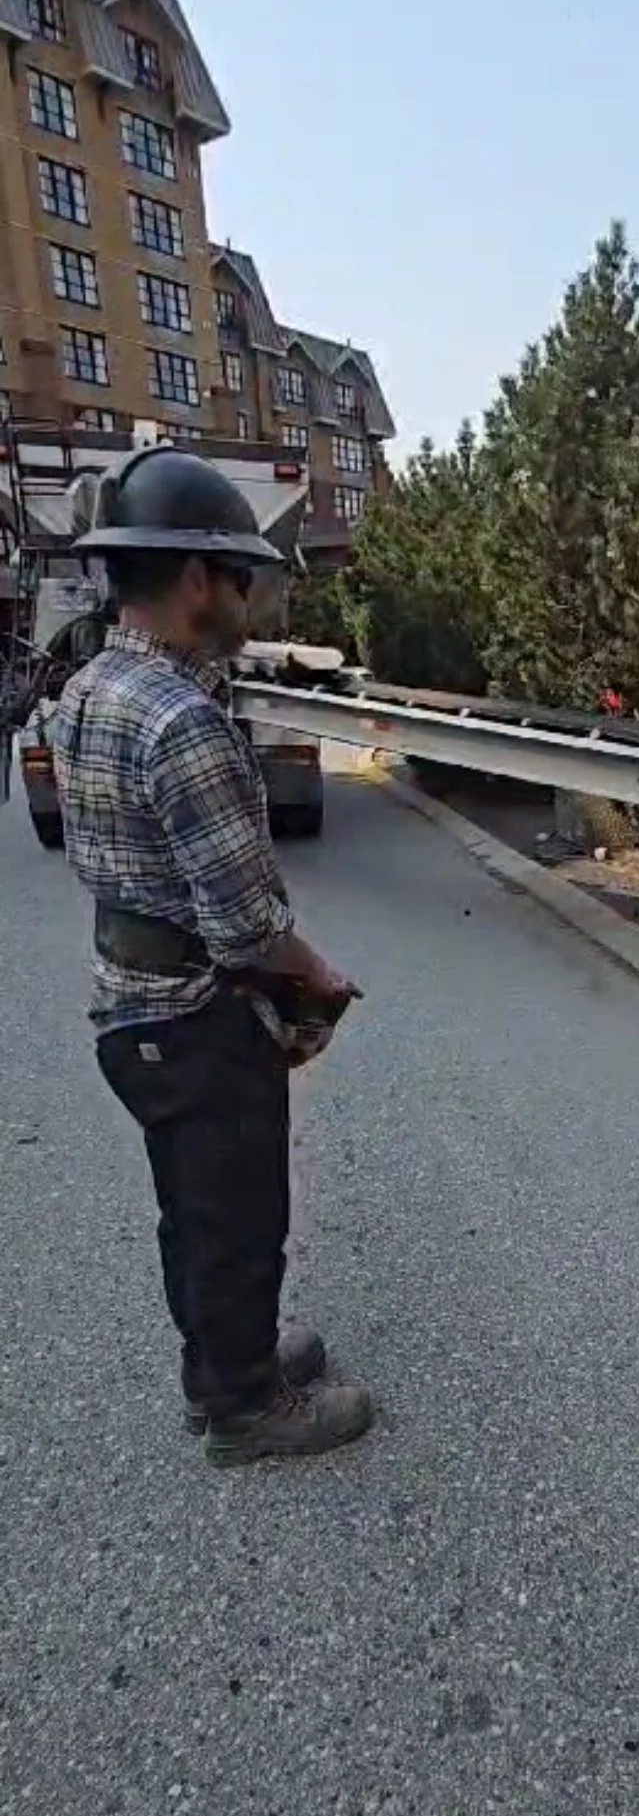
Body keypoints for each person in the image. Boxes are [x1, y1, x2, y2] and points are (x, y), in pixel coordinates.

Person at [51, 445, 374, 1467]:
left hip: (131, 1008)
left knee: (192, 1207)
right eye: (241, 574)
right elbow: (247, 927)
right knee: (236, 1215)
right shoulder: (185, 722)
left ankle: (226, 1362)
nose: (250, 593)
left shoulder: (93, 685)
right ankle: (242, 1408)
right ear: (196, 579)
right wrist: (316, 976)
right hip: (196, 1015)